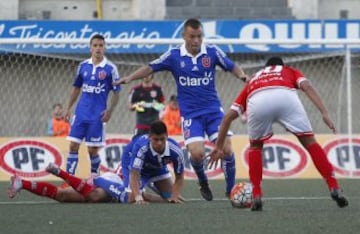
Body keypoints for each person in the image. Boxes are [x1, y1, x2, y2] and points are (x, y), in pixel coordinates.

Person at [114, 18, 248, 201]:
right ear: (184, 36)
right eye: (192, 37)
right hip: (191, 115)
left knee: (227, 149)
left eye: (199, 36)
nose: (196, 41)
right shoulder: (174, 55)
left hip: (213, 111)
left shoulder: (212, 52)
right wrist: (129, 78)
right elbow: (150, 67)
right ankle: (203, 181)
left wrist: (242, 76)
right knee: (196, 153)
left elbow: (232, 66)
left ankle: (231, 189)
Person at [208, 56, 349, 211]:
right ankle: (333, 186)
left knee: (255, 146)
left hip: (258, 100)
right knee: (310, 142)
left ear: (265, 68)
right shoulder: (288, 70)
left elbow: (227, 118)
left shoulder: (254, 78)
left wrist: (219, 147)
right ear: (282, 65)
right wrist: (324, 113)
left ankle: (256, 194)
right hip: (286, 97)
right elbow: (307, 86)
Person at [64, 34, 121, 178]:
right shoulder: (83, 66)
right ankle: (69, 179)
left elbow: (116, 93)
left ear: (104, 48)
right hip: (81, 114)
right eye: (95, 45)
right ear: (90, 48)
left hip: (97, 116)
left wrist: (110, 111)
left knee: (92, 150)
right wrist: (68, 108)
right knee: (73, 146)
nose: (98, 48)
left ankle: (94, 180)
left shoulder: (110, 69)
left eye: (101, 45)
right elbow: (76, 88)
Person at [96, 120, 185, 204]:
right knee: (131, 198)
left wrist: (174, 196)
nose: (159, 143)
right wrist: (138, 197)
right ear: (150, 137)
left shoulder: (176, 151)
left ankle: (145, 188)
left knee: (171, 197)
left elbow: (179, 177)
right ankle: (100, 179)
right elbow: (134, 173)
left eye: (162, 139)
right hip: (136, 165)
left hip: (157, 167)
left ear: (167, 136)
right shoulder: (142, 147)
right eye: (156, 139)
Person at [7, 163, 165, 203]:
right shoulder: (140, 163)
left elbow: (147, 191)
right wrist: (165, 200)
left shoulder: (150, 167)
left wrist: (165, 197)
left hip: (107, 179)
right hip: (113, 182)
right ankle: (60, 172)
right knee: (95, 196)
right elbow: (143, 194)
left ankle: (22, 183)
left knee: (62, 196)